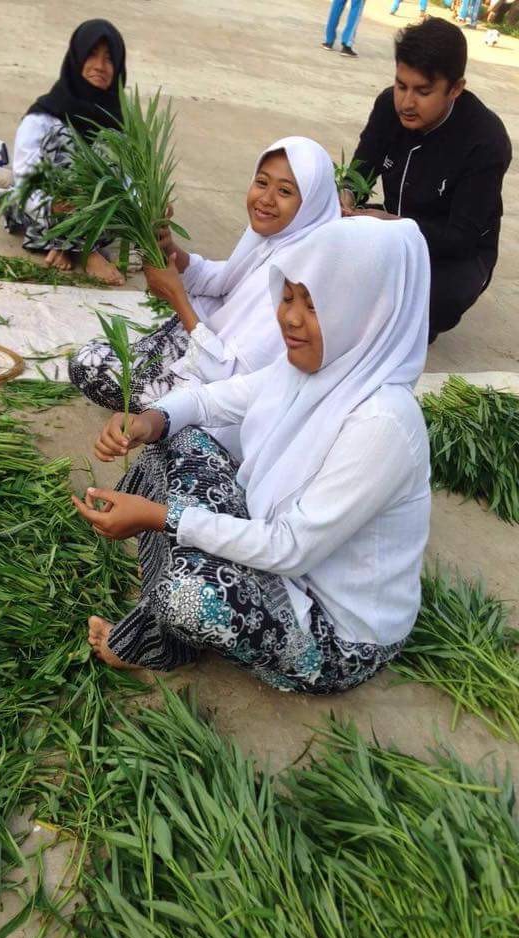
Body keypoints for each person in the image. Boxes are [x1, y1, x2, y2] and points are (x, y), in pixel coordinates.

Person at [72, 217, 432, 694]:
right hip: (280, 554)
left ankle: (162, 638)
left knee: (191, 597)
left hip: (335, 635)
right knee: (177, 437)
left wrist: (161, 517)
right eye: (289, 297)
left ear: (369, 313)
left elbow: (289, 547)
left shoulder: (384, 424)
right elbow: (214, 399)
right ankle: (162, 576)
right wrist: (149, 420)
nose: (291, 318)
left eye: (315, 304)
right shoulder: (314, 367)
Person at [68, 137, 340, 440]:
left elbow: (230, 377)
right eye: (261, 183)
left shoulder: (301, 279)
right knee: (89, 356)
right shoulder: (275, 238)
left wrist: (176, 297)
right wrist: (172, 252)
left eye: (285, 191)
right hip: (197, 349)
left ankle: (162, 419)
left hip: (218, 394)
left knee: (88, 368)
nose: (266, 198)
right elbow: (224, 279)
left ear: (312, 203)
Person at [345, 18, 512, 342]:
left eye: (423, 91)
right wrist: (347, 195)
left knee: (431, 303)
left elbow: (460, 237)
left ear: (455, 89)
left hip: (456, 251)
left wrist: (394, 222)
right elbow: (360, 169)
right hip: (393, 222)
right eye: (401, 85)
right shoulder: (387, 106)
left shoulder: (485, 140)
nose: (407, 103)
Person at [3, 19, 127, 286]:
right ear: (76, 58)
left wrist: (152, 205)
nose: (99, 66)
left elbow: (127, 185)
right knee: (65, 145)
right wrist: (55, 207)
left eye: (109, 59)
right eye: (91, 55)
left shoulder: (118, 121)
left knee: (112, 148)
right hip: (44, 208)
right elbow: (26, 184)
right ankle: (86, 250)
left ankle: (65, 246)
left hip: (94, 214)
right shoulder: (42, 118)